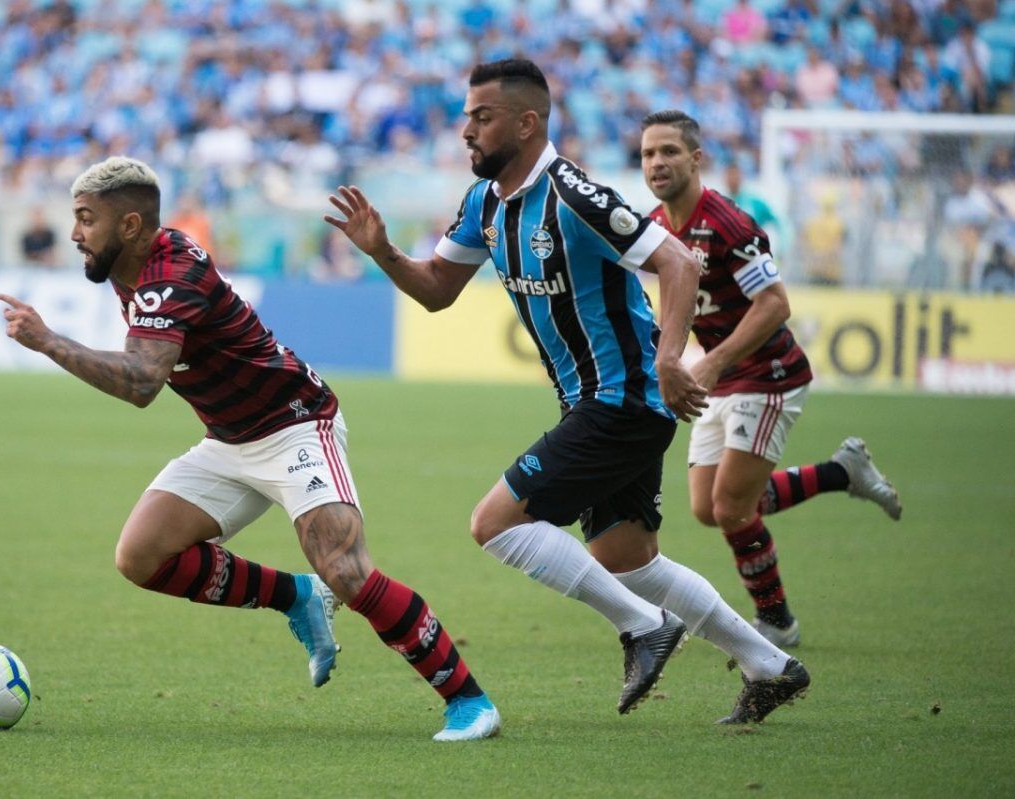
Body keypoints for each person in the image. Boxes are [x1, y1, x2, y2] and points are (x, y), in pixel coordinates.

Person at [325, 59, 808, 724]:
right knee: (627, 558)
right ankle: (771, 664)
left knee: (493, 522)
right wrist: (382, 252)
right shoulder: (485, 203)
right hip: (595, 401)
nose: (466, 130)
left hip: (626, 399)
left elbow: (678, 261)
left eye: (482, 117)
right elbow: (438, 288)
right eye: (467, 116)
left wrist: (672, 358)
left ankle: (644, 628)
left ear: (526, 124)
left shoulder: (573, 193)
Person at [0, 156, 499, 742]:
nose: (76, 233)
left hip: (294, 425)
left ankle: (468, 701)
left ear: (130, 225)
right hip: (231, 437)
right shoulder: (126, 263)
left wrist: (49, 340)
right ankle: (295, 596)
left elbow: (141, 382)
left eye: (86, 219)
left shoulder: (172, 273)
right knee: (141, 557)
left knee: (346, 568)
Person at [639, 110, 902, 648]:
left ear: (696, 159)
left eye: (669, 151)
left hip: (769, 373)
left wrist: (709, 363)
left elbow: (775, 304)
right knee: (707, 508)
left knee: (732, 507)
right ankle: (840, 472)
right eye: (647, 153)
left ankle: (778, 620)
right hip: (721, 378)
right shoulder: (658, 227)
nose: (657, 162)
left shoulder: (730, 225)